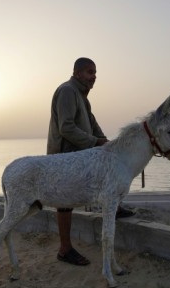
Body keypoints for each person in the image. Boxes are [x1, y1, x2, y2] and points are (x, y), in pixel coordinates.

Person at [47, 57, 133, 266]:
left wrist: (109, 145)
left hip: (80, 155)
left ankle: (115, 206)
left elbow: (94, 126)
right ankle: (64, 249)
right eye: (89, 72)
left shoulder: (82, 97)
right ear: (77, 73)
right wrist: (96, 142)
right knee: (64, 203)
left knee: (106, 173)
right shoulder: (68, 91)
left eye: (95, 73)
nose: (93, 77)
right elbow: (65, 128)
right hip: (64, 156)